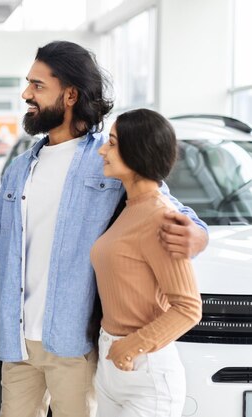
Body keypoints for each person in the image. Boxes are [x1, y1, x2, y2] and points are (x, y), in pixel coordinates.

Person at [0, 41, 208, 417]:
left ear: (70, 94)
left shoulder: (110, 158)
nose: (26, 94)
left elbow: (166, 206)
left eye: (37, 86)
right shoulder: (21, 167)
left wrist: (197, 235)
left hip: (74, 345)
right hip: (18, 344)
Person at [91, 109, 201, 417]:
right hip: (112, 364)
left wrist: (132, 346)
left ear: (136, 151)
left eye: (111, 143)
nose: (102, 150)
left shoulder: (161, 218)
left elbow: (188, 308)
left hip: (146, 374)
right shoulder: (129, 209)